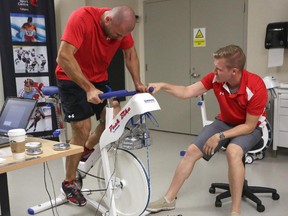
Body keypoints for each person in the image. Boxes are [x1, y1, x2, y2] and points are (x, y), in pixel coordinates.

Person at [146, 45, 268, 216]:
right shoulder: (215, 79)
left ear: (234, 71)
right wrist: (163, 85)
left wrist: (219, 136)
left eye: (218, 69)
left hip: (251, 127)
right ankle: (168, 200)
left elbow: (249, 126)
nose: (214, 72)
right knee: (191, 151)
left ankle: (235, 211)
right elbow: (187, 91)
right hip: (225, 122)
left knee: (233, 152)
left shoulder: (256, 87)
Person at [55, 5, 146, 206]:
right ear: (107, 20)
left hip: (98, 78)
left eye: (121, 36)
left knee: (114, 119)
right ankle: (69, 182)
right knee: (82, 129)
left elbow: (130, 55)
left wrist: (138, 82)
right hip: (71, 77)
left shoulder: (121, 29)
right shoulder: (82, 17)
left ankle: (86, 149)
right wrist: (88, 88)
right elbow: (63, 56)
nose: (117, 39)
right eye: (116, 34)